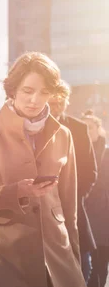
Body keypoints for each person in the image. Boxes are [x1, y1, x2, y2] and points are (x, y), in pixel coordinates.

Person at [0, 52, 86, 287]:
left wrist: (74, 259)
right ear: (13, 90)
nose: (35, 100)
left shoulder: (63, 134)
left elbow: (69, 206)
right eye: (28, 91)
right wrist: (16, 191)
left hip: (55, 254)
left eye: (44, 93)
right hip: (2, 256)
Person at [49, 84, 98, 283]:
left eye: (60, 102)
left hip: (72, 208)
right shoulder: (30, 127)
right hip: (39, 209)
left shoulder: (78, 128)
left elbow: (90, 172)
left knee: (82, 267)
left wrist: (71, 196)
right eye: (52, 102)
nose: (56, 106)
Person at [83, 112, 108, 287]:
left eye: (90, 127)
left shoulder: (106, 153)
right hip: (83, 214)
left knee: (100, 263)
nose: (86, 131)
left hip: (103, 217)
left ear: (99, 130)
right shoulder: (75, 151)